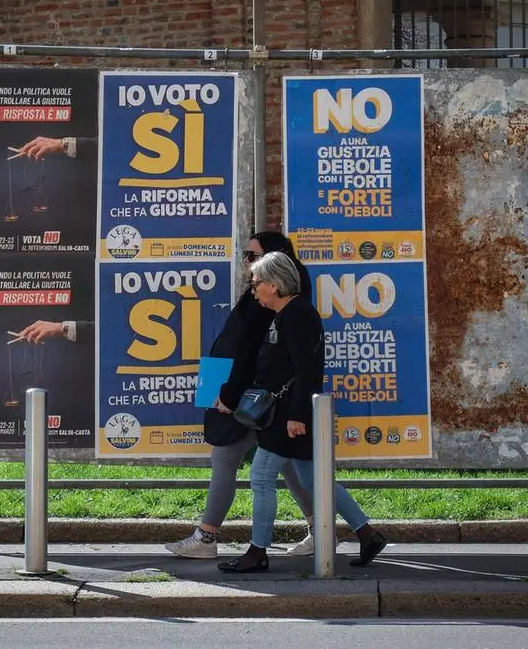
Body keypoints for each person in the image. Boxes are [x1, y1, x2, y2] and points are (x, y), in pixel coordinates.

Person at [216, 252, 387, 573]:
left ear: (275, 284)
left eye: (257, 283)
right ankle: (367, 534)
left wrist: (297, 416)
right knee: (314, 479)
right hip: (287, 413)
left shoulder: (297, 315)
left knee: (261, 478)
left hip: (286, 416)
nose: (253, 289)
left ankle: (257, 552)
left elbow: (308, 369)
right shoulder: (284, 315)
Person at [165, 231, 320, 559]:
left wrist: (230, 395)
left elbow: (251, 353)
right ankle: (324, 530)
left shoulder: (271, 298)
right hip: (243, 388)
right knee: (288, 463)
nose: (246, 262)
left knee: (226, 456)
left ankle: (207, 538)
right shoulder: (266, 295)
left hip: (249, 395)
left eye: (253, 256)